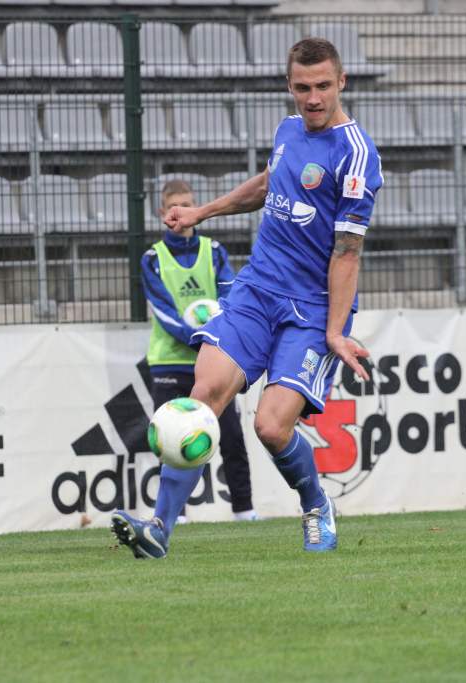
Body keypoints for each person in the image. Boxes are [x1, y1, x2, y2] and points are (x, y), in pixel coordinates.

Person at [111, 36, 382, 559]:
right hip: (257, 289)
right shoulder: (287, 130)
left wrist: (334, 331)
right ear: (289, 87)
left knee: (270, 426)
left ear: (342, 82)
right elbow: (267, 184)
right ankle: (158, 530)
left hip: (312, 308)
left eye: (323, 86)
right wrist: (199, 213)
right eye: (302, 88)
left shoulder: (356, 154)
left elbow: (348, 252)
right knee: (204, 393)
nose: (313, 98)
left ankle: (315, 503)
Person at [140, 178, 258, 525]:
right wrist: (202, 333)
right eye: (175, 206)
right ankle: (175, 515)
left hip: (212, 358)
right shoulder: (153, 258)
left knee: (232, 436)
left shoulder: (214, 250)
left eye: (189, 204)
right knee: (171, 438)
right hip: (170, 360)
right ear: (163, 213)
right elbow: (163, 312)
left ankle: (244, 510)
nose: (182, 211)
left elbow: (230, 294)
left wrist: (215, 332)